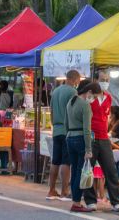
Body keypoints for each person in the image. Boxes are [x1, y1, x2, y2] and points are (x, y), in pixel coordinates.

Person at [85, 72, 119, 212]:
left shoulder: (109, 97)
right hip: (90, 137)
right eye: (102, 80)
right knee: (88, 170)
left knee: (111, 170)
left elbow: (106, 117)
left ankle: (116, 202)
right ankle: (90, 201)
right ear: (96, 80)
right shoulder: (89, 97)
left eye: (107, 80)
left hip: (104, 138)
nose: (105, 82)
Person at [66, 81, 100, 213]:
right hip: (81, 139)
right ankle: (76, 203)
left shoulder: (71, 101)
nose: (94, 99)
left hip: (69, 137)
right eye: (95, 96)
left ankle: (76, 201)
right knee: (80, 173)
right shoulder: (85, 105)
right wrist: (89, 149)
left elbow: (66, 123)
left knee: (75, 171)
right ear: (89, 92)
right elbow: (87, 129)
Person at [47, 70, 81, 201]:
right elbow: (74, 112)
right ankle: (64, 191)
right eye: (78, 81)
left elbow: (51, 111)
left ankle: (51, 190)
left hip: (56, 129)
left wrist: (54, 124)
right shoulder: (73, 92)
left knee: (55, 160)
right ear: (75, 79)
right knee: (66, 161)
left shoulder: (55, 91)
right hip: (67, 131)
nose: (78, 83)